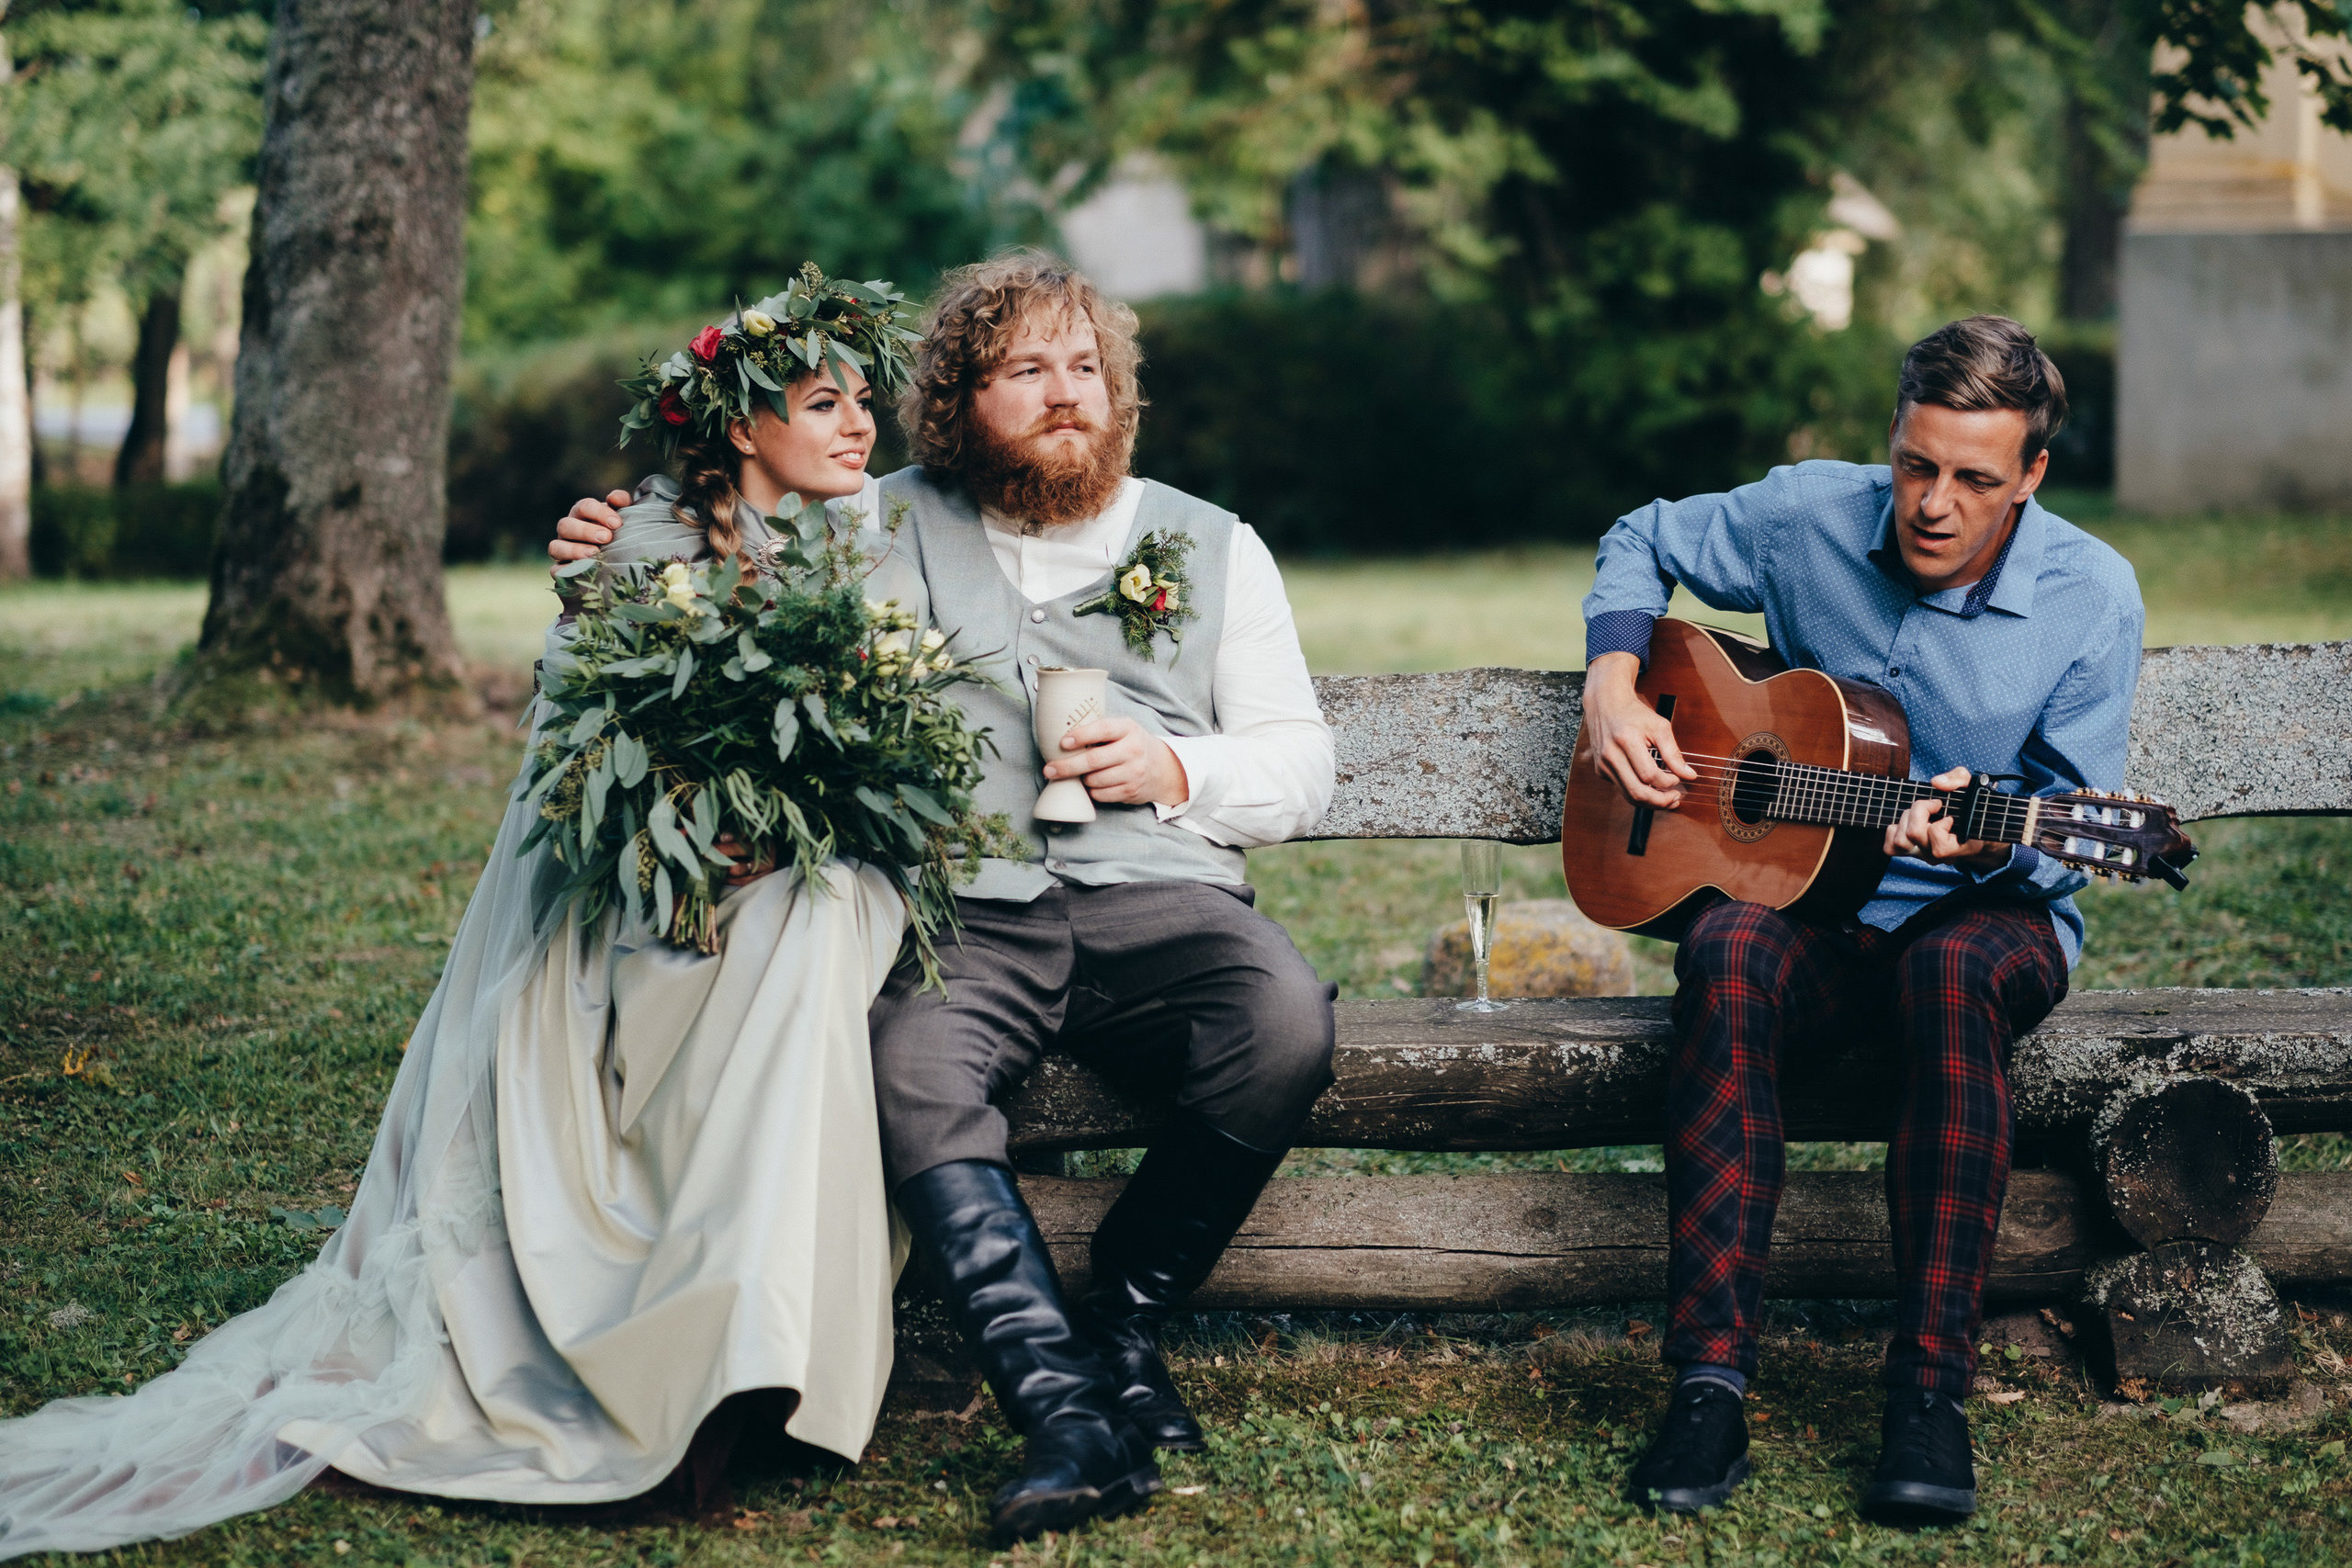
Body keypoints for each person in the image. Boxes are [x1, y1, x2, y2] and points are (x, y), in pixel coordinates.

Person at [0, 278, 920, 1560]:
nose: (862, 424)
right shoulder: (637, 551)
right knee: (799, 939)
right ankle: (700, 1357)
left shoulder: (847, 538)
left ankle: (758, 1342)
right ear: (742, 426)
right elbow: (595, 763)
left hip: (777, 884)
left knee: (830, 922)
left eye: (868, 401)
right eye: (828, 402)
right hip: (645, 909)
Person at [548, 250, 1340, 1541]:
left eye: (1086, 368)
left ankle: (1119, 1330)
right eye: (1027, 371)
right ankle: (1065, 1410)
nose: (1066, 393)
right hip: (962, 909)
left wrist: (1177, 762)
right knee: (906, 1058)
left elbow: (1301, 761)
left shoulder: (1214, 545)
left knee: (1286, 1022)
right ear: (960, 400)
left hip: (1164, 899)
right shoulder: (876, 518)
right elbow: (720, 546)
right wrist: (612, 541)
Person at [1578, 316, 2142, 1525]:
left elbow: (2074, 818)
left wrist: (1997, 828)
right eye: (1916, 464)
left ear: (2031, 477)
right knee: (1726, 950)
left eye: (1975, 480)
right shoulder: (1806, 517)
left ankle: (1930, 1395)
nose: (1933, 504)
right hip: (1807, 903)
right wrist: (1614, 682)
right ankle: (1710, 1382)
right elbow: (1643, 538)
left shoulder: (2091, 597)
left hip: (1986, 917)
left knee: (1953, 982)